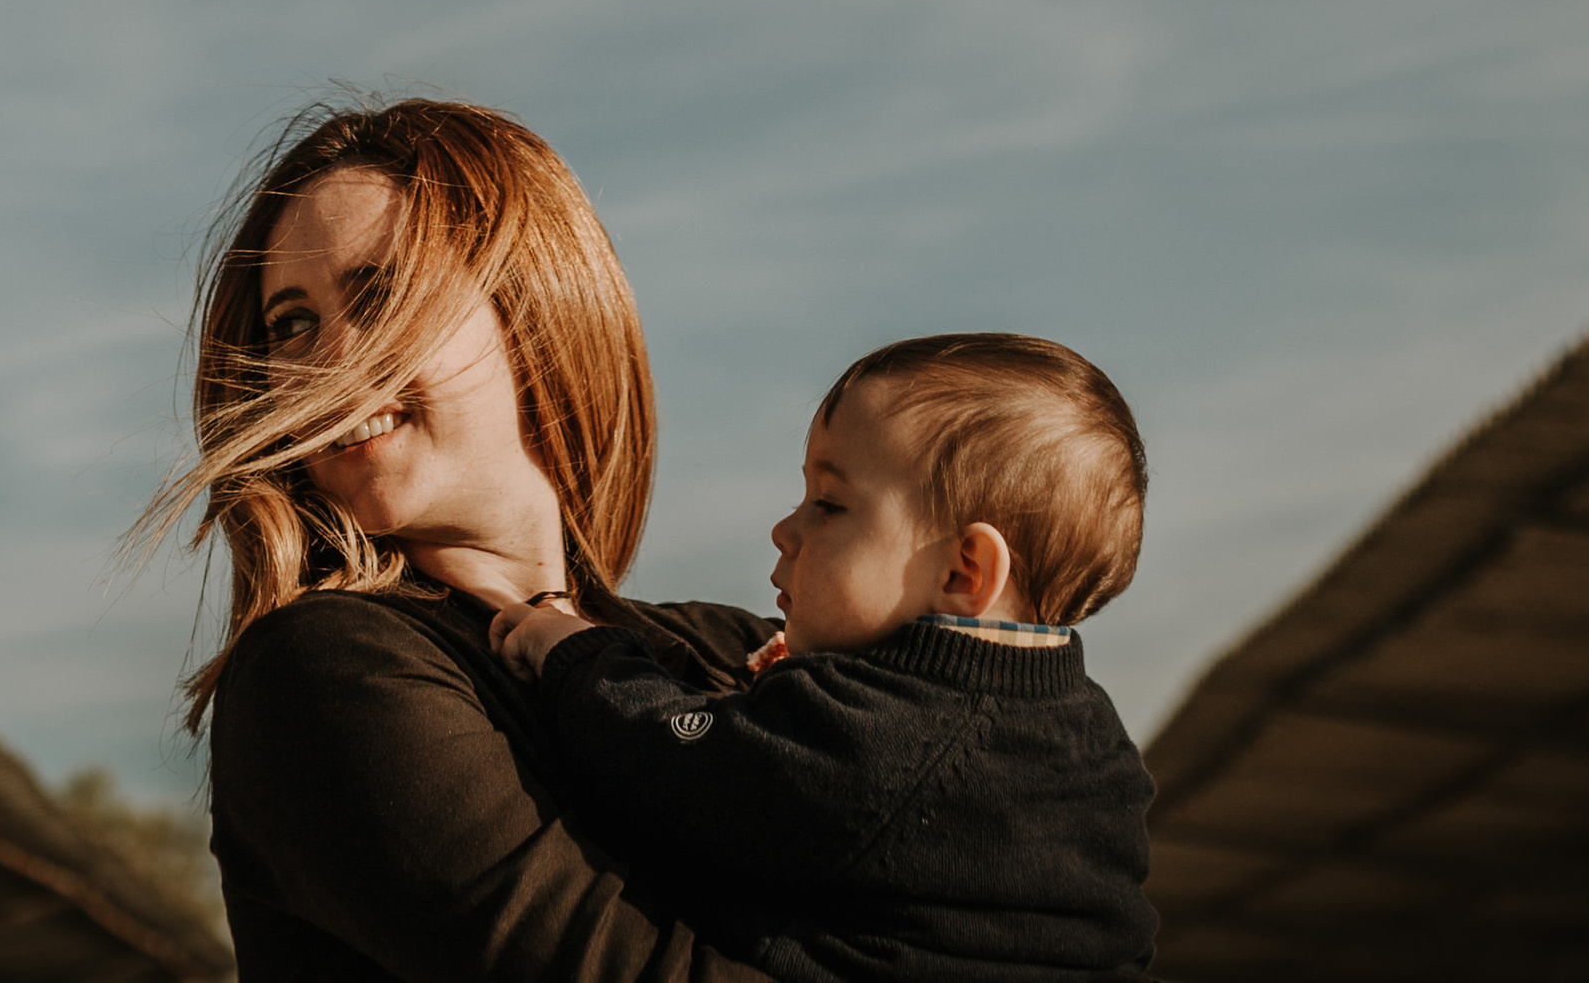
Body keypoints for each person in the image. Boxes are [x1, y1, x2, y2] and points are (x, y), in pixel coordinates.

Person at [133, 95, 782, 981]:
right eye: (290, 323)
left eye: (383, 293)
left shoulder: (737, 651)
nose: (329, 358)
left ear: (535, 308)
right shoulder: (322, 671)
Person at [488, 333, 1158, 983]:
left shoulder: (878, 738)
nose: (785, 530)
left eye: (829, 505)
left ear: (964, 570)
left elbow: (674, 765)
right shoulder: (1092, 738)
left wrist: (579, 652)